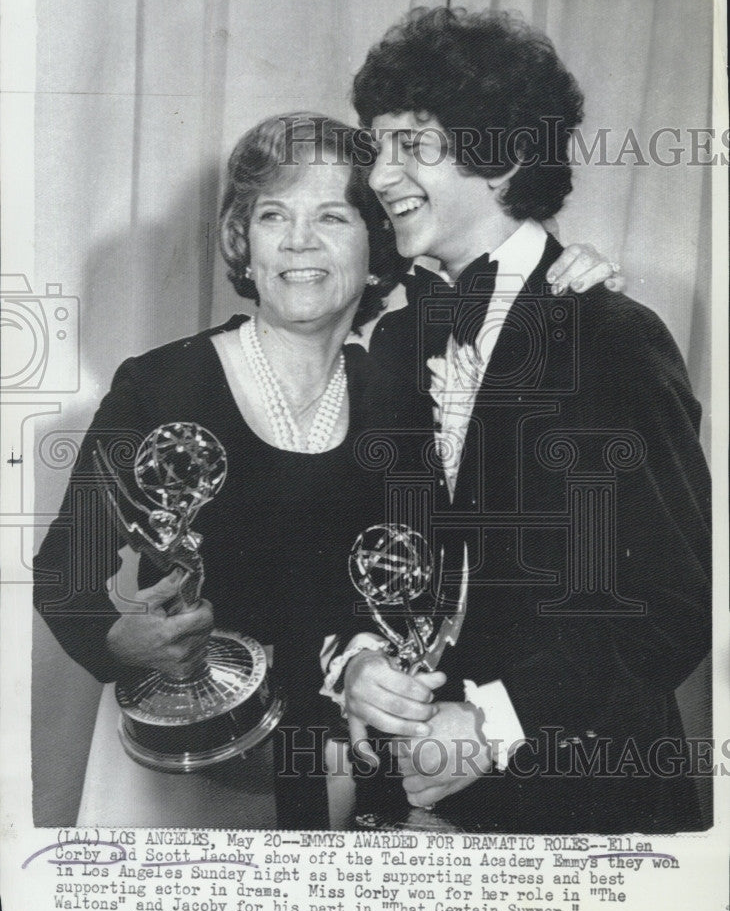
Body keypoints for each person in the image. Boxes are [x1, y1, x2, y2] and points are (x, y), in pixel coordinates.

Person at [34, 107, 621, 830]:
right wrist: (113, 643)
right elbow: (63, 564)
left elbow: (422, 591)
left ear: (378, 249)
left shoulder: (399, 394)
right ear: (243, 246)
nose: (299, 241)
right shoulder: (161, 383)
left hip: (344, 778)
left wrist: (566, 289)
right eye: (273, 215)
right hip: (191, 772)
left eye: (334, 218)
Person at [340, 8, 711, 833]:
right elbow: (372, 547)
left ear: (502, 156)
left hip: (577, 801)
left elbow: (673, 603)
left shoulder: (613, 336)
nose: (379, 175)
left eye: (411, 145)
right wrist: (358, 662)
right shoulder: (400, 336)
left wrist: (486, 725)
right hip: (409, 801)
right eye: (376, 146)